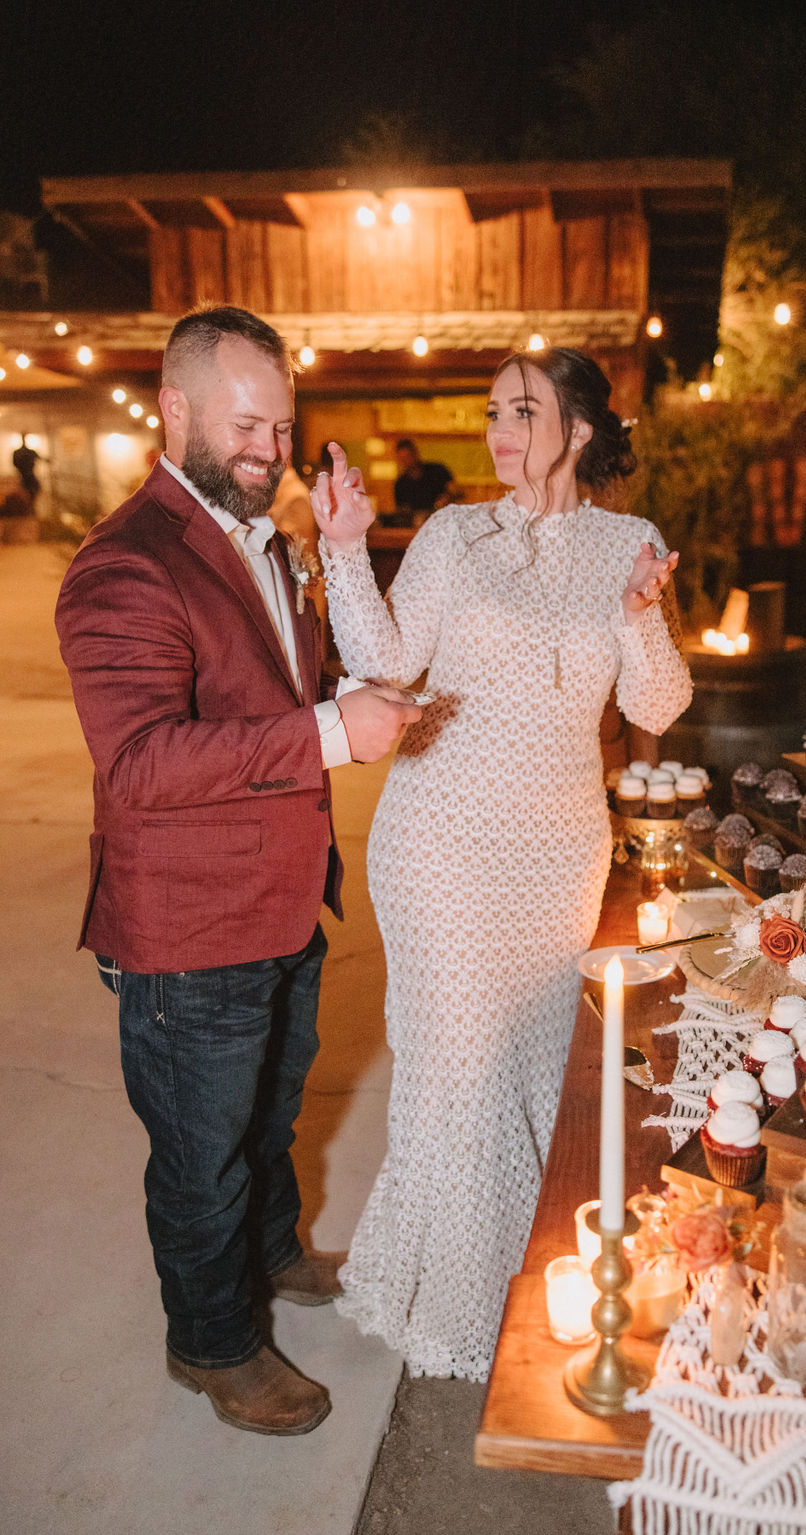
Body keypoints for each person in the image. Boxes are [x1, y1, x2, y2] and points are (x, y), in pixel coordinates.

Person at [55, 306, 420, 1435]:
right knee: (202, 1152)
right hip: (187, 927)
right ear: (174, 411)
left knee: (268, 1116)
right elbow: (142, 759)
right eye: (246, 422)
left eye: (283, 424)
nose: (269, 446)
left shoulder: (265, 541)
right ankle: (210, 1342)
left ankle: (269, 1256)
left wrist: (343, 559)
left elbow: (289, 683)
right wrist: (330, 732)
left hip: (280, 901)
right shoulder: (123, 566)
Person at [311, 346, 692, 1380]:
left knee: (526, 1067)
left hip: (557, 847)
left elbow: (656, 705)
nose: (498, 428)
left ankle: (520, 1281)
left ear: (577, 428)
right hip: (440, 839)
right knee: (459, 1067)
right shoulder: (451, 531)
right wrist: (344, 549)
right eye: (491, 410)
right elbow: (386, 662)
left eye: (522, 409)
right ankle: (460, 1307)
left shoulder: (631, 544)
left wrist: (638, 617)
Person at [391, 437, 457, 524]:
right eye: (402, 459)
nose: (406, 462)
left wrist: (447, 497)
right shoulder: (400, 484)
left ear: (415, 454)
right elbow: (402, 511)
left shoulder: (438, 471)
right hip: (415, 526)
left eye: (408, 457)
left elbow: (456, 491)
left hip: (443, 520)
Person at [12, 434, 44, 502]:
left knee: (31, 495)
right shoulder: (23, 452)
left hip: (26, 477)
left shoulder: (20, 452)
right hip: (25, 477)